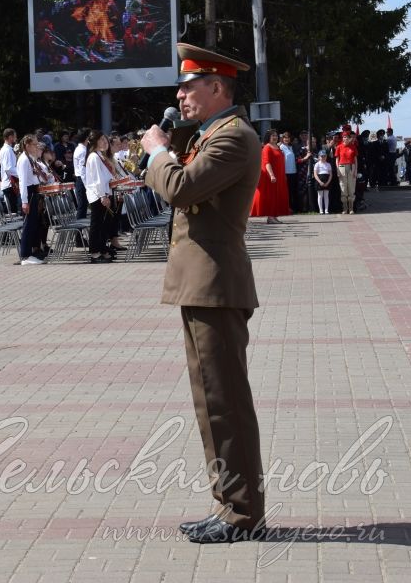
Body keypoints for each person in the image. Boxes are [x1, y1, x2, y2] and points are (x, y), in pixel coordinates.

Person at [141, 43, 265, 544]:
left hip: (216, 285)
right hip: (202, 286)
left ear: (217, 87)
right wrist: (161, 149)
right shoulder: (212, 135)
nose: (180, 94)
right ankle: (229, 505)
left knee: (225, 403)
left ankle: (242, 513)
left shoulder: (233, 139)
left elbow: (181, 188)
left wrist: (158, 151)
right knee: (211, 403)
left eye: (189, 86)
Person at [16, 134, 48, 264]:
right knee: (28, 225)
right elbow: (23, 181)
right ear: (27, 145)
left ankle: (30, 253)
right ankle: (25, 255)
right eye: (34, 144)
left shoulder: (30, 158)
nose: (36, 146)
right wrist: (24, 202)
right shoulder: (24, 159)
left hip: (33, 191)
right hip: (28, 193)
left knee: (33, 224)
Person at [85, 130, 117, 263]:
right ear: (95, 142)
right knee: (97, 224)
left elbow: (105, 176)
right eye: (102, 140)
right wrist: (103, 196)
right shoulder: (93, 156)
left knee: (105, 224)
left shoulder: (101, 156)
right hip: (98, 195)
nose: (105, 142)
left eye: (105, 140)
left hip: (105, 192)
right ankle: (94, 252)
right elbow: (97, 179)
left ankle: (102, 248)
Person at [250, 130, 290, 223]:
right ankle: (271, 217)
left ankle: (274, 216)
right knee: (271, 196)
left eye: (276, 135)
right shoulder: (267, 148)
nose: (275, 137)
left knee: (277, 196)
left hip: (279, 175)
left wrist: (283, 175)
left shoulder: (278, 147)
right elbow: (266, 162)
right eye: (273, 136)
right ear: (268, 137)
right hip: (270, 176)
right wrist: (272, 175)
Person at [335, 129, 358, 214]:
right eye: (344, 137)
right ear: (342, 138)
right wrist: (337, 170)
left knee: (351, 188)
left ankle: (351, 208)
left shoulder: (353, 146)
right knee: (343, 188)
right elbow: (337, 160)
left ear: (349, 138)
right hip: (342, 168)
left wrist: (355, 171)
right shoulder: (339, 147)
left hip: (351, 167)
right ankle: (345, 208)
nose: (345, 138)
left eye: (347, 137)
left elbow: (356, 160)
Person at [0, 128, 18, 214]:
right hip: (10, 184)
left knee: (13, 212)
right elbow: (8, 168)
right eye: (14, 136)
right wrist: (22, 174)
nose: (15, 138)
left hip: (10, 184)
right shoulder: (7, 150)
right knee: (13, 213)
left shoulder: (7, 149)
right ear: (10, 137)